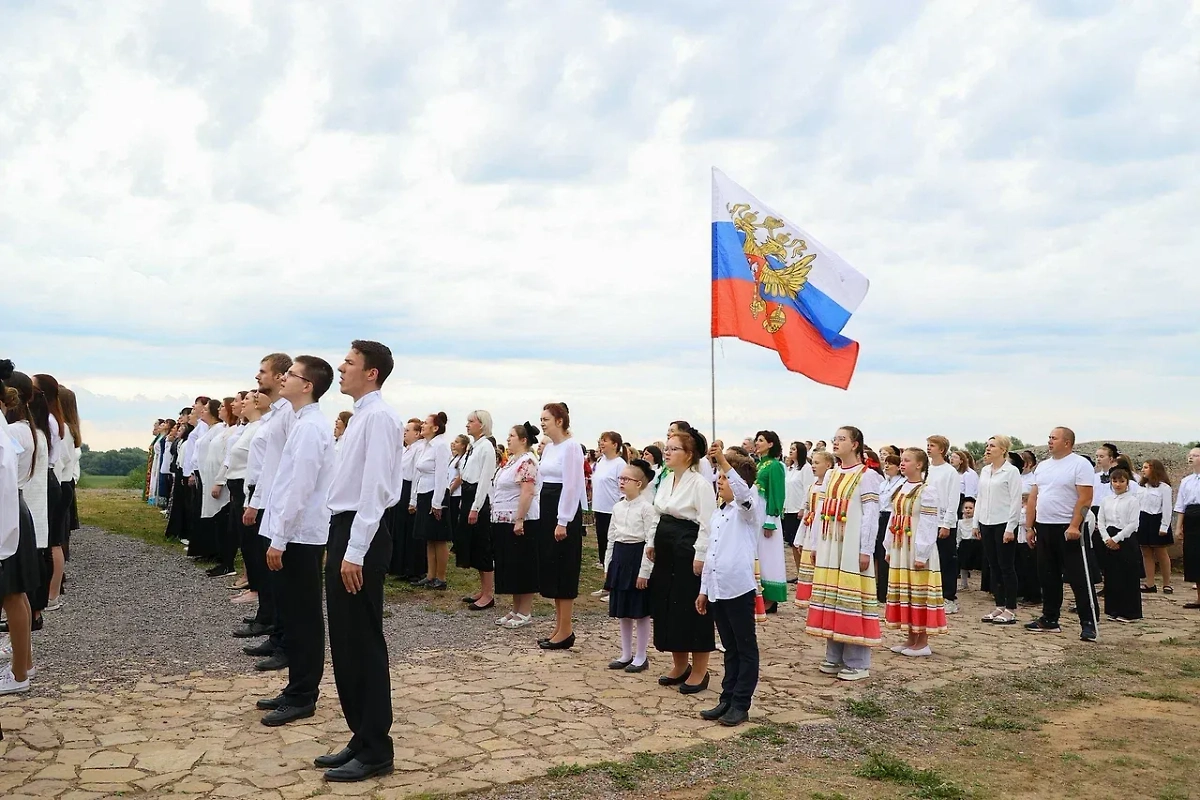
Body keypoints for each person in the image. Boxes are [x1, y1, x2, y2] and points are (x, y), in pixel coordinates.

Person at [318, 341, 403, 782]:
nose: (341, 367)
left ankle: (376, 748)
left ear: (371, 372)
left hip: (363, 532)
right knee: (346, 641)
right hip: (346, 527)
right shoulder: (362, 417)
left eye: (349, 362)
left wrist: (354, 550)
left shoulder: (382, 418)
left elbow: (374, 490)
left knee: (363, 640)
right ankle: (361, 735)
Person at [257, 355, 336, 726]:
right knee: (292, 613)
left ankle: (304, 694)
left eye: (291, 374)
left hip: (300, 537)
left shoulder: (310, 427)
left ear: (308, 385)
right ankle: (295, 687)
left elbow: (298, 488)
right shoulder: (302, 422)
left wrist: (280, 538)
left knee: (303, 618)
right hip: (293, 534)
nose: (284, 378)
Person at [804, 426, 882, 682]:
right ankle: (834, 654)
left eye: (841, 439)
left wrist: (865, 549)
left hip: (850, 545)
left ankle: (857, 661)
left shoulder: (867, 476)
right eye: (834, 438)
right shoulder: (831, 475)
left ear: (856, 444)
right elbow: (820, 511)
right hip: (830, 544)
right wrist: (814, 544)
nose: (835, 443)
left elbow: (871, 516)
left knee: (852, 599)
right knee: (833, 597)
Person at [696, 446, 762, 727]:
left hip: (738, 588)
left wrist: (723, 460)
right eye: (719, 478)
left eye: (723, 478)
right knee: (729, 647)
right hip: (718, 589)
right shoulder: (719, 513)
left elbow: (743, 493)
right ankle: (727, 697)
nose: (719, 482)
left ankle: (741, 703)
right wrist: (703, 590)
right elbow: (711, 554)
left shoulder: (748, 509)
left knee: (745, 647)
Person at [648, 424, 716, 694]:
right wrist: (652, 541)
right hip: (666, 545)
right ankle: (679, 664)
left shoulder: (699, 484)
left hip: (687, 546)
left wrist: (700, 555)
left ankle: (700, 670)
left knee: (691, 606)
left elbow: (708, 523)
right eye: (667, 448)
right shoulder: (666, 479)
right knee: (668, 603)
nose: (667, 452)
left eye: (674, 449)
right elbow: (657, 512)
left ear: (688, 454)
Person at [238, 354, 294, 670]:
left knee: (283, 581)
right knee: (273, 576)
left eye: (263, 372)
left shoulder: (288, 415)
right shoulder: (275, 414)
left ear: (280, 376)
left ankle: (284, 641)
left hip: (278, 502)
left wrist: (260, 504)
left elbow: (280, 470)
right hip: (266, 498)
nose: (258, 377)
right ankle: (276, 634)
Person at [1025, 427, 1099, 641]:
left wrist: (1075, 525)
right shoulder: (1044, 467)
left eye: (1053, 438)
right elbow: (1033, 497)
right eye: (1048, 437)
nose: (1049, 441)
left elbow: (1085, 498)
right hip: (1045, 525)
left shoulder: (1080, 464)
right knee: (1047, 574)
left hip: (1068, 527)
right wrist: (1030, 526)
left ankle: (1089, 622)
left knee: (1078, 577)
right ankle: (1049, 618)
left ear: (1067, 442)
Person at [884, 447, 947, 657]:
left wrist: (922, 554)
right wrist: (888, 545)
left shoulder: (927, 490)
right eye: (901, 460)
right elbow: (893, 518)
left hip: (917, 546)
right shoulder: (901, 487)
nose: (902, 464)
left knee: (919, 590)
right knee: (907, 590)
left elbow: (929, 523)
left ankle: (923, 642)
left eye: (907, 460)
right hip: (901, 545)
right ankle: (911, 638)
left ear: (919, 465)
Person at [0, 364, 39, 693]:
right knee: (17, 594)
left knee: (13, 594)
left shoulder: (11, 432)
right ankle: (22, 665)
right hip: (14, 509)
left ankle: (19, 672)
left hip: (8, 513)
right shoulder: (21, 428)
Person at [535, 402, 586, 649]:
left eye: (546, 418)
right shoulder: (549, 449)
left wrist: (562, 520)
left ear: (559, 420)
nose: (542, 422)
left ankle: (566, 630)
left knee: (564, 569)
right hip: (548, 508)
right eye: (541, 418)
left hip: (562, 512)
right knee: (553, 569)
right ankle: (559, 626)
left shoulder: (571, 447)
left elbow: (572, 486)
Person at [603, 459, 657, 674]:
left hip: (637, 557)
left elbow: (650, 541)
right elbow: (611, 537)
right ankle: (626, 653)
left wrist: (645, 571)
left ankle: (641, 655)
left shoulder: (647, 509)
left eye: (626, 479)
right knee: (623, 610)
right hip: (620, 557)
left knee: (640, 611)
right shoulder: (617, 506)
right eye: (620, 478)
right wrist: (608, 564)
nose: (622, 482)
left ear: (639, 483)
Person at [491, 422, 542, 630]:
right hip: (503, 520)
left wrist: (520, 519)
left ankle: (525, 611)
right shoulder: (512, 461)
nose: (508, 439)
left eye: (512, 435)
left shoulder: (527, 460)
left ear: (523, 440)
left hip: (521, 521)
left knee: (523, 565)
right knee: (511, 566)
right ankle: (515, 609)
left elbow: (527, 491)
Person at [974, 436, 1023, 625]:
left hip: (1003, 523)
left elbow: (1015, 501)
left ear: (1003, 450)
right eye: (987, 445)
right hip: (986, 522)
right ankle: (999, 605)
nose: (988, 449)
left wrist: (1011, 527)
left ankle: (1010, 608)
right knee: (993, 566)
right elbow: (980, 498)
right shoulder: (985, 471)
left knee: (1006, 566)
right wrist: (975, 523)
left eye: (992, 446)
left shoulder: (1011, 472)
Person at [224, 391, 265, 604]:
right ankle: (252, 583)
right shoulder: (248, 428)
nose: (243, 403)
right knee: (244, 538)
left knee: (251, 539)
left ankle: (256, 587)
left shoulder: (259, 428)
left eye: (247, 399)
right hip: (239, 484)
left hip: (246, 486)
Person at [458, 410, 497, 611]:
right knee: (473, 546)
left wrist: (475, 507)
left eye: (471, 421)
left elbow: (484, 480)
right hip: (467, 495)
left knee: (483, 547)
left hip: (478, 498)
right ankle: (483, 590)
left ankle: (489, 595)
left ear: (481, 424)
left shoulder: (487, 448)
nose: (467, 424)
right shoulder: (476, 446)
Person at [409, 412, 451, 589]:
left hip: (436, 493)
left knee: (439, 538)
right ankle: (430, 574)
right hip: (424, 492)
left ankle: (441, 577)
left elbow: (441, 475)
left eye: (426, 423)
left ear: (435, 427)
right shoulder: (426, 445)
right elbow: (418, 472)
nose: (422, 426)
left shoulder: (440, 445)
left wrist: (437, 503)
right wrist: (415, 498)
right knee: (429, 537)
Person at [1097, 467, 1143, 622]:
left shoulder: (1132, 500)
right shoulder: (1106, 500)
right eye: (1114, 481)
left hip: (1125, 538)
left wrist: (1117, 539)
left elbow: (1133, 524)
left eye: (1121, 481)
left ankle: (1129, 612)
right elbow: (1101, 521)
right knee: (1112, 575)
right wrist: (1106, 538)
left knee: (1127, 576)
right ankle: (1114, 609)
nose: (1118, 484)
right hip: (1108, 538)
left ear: (1127, 482)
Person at [751, 431, 788, 620]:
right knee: (758, 554)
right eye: (756, 440)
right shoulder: (758, 465)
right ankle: (758, 593)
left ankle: (771, 597)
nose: (757, 443)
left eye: (761, 440)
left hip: (767, 516)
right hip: (755, 517)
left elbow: (777, 493)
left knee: (769, 555)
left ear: (771, 444)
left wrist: (771, 520)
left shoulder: (775, 466)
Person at [926, 436, 961, 614]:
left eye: (932, 446)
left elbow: (954, 499)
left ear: (941, 449)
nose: (928, 448)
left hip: (943, 521)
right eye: (928, 445)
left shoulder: (950, 472)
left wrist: (947, 523)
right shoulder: (927, 470)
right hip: (928, 521)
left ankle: (949, 597)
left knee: (946, 560)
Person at [794, 450, 832, 608]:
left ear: (828, 465)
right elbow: (807, 510)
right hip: (810, 530)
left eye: (817, 463)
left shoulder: (829, 486)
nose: (813, 466)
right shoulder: (811, 486)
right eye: (813, 463)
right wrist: (800, 536)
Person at [388, 418, 423, 580]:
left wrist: (413, 499)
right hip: (400, 488)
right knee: (400, 529)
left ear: (417, 433)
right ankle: (400, 566)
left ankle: (413, 569)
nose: (404, 433)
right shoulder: (406, 450)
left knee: (409, 531)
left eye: (408, 430)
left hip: (410, 489)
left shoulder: (418, 449)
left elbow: (416, 474)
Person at [591, 432, 628, 580]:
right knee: (602, 545)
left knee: (611, 546)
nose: (601, 443)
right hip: (599, 508)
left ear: (615, 445)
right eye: (600, 440)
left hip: (612, 510)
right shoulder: (601, 461)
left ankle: (613, 582)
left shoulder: (620, 464)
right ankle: (607, 581)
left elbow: (623, 490)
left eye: (605, 441)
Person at [1138, 459, 1174, 594]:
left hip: (1157, 519)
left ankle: (1166, 583)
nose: (1143, 470)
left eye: (1146, 467)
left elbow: (1167, 508)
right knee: (1146, 553)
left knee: (1161, 553)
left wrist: (1164, 526)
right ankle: (1150, 583)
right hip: (1143, 519)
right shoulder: (1141, 486)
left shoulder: (1164, 488)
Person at [875, 454, 904, 604]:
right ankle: (881, 590)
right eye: (885, 464)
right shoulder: (883, 483)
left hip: (892, 516)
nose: (886, 466)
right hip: (881, 516)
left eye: (890, 464)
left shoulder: (902, 482)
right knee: (881, 553)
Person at [783, 441, 814, 580]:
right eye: (790, 448)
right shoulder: (790, 469)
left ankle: (805, 571)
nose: (790, 451)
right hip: (788, 508)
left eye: (794, 449)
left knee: (799, 542)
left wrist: (803, 508)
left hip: (798, 509)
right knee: (792, 543)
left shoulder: (806, 468)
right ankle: (798, 572)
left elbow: (808, 488)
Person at [1175, 448, 1200, 611]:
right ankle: (1199, 598)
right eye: (1189, 456)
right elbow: (1181, 505)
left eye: (1195, 455)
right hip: (1191, 519)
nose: (1191, 458)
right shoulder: (1186, 481)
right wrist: (1178, 527)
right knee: (1194, 556)